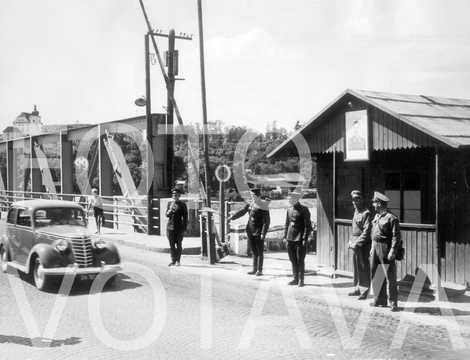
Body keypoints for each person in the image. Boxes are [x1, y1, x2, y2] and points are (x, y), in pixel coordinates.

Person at [370, 191, 401, 312]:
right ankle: (379, 300)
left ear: (379, 203)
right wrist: (372, 248)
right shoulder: (377, 216)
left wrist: (392, 251)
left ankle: (393, 303)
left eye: (375, 202)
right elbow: (374, 234)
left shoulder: (392, 218)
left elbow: (396, 237)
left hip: (386, 248)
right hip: (376, 247)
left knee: (390, 276)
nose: (373, 205)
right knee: (376, 274)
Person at [228, 188, 270, 276]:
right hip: (250, 230)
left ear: (258, 196)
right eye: (251, 195)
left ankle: (260, 270)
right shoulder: (250, 204)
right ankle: (254, 269)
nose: (251, 197)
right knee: (254, 251)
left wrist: (263, 233)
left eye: (253, 195)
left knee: (259, 251)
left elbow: (267, 221)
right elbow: (242, 212)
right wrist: (232, 217)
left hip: (258, 231)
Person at [283, 191, 312, 287]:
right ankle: (295, 278)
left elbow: (308, 226)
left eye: (291, 199)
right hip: (290, 238)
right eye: (289, 199)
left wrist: (304, 238)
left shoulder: (304, 210)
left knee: (300, 259)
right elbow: (287, 224)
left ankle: (301, 280)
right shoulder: (289, 210)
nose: (290, 201)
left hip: (300, 239)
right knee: (292, 259)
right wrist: (284, 237)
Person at [348, 190, 372, 300]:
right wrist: (351, 242)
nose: (354, 202)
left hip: (362, 244)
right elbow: (354, 230)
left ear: (362, 200)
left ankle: (365, 290)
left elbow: (366, 232)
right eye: (353, 199)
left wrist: (357, 243)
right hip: (355, 243)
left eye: (357, 199)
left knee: (363, 267)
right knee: (356, 267)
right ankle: (357, 288)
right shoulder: (356, 212)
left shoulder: (366, 213)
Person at [166, 188, 188, 266]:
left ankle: (178, 260)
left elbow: (185, 218)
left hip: (179, 228)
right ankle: (173, 260)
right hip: (170, 227)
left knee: (179, 244)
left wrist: (184, 229)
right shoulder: (169, 203)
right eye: (173, 194)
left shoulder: (182, 205)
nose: (174, 196)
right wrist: (169, 212)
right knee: (171, 245)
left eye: (176, 195)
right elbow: (167, 215)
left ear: (179, 196)